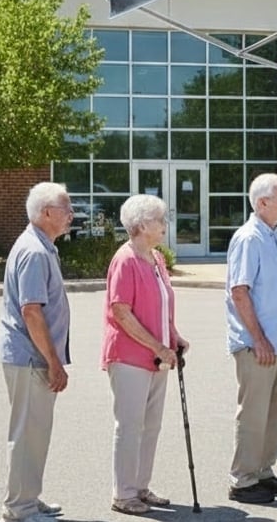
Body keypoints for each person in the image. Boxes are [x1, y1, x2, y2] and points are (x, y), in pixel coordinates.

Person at [100, 194, 189, 515]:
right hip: (129, 358)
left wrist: (173, 335)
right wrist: (158, 346)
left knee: (150, 426)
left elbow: (162, 304)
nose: (165, 224)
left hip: (158, 356)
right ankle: (123, 494)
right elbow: (121, 313)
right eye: (159, 219)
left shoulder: (156, 258)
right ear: (139, 225)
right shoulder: (125, 260)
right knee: (130, 425)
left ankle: (140, 486)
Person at [0, 182, 73, 522]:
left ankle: (28, 497)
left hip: (33, 357)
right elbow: (31, 310)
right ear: (46, 213)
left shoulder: (44, 247)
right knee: (28, 434)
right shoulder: (34, 251)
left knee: (36, 433)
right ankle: (20, 509)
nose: (71, 214)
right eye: (66, 208)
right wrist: (53, 361)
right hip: (31, 359)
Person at [225, 173, 277, 505]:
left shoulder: (273, 236)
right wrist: (259, 339)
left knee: (274, 411)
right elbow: (240, 292)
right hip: (258, 345)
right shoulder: (249, 239)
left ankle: (263, 471)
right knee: (254, 413)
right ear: (262, 203)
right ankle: (243, 480)